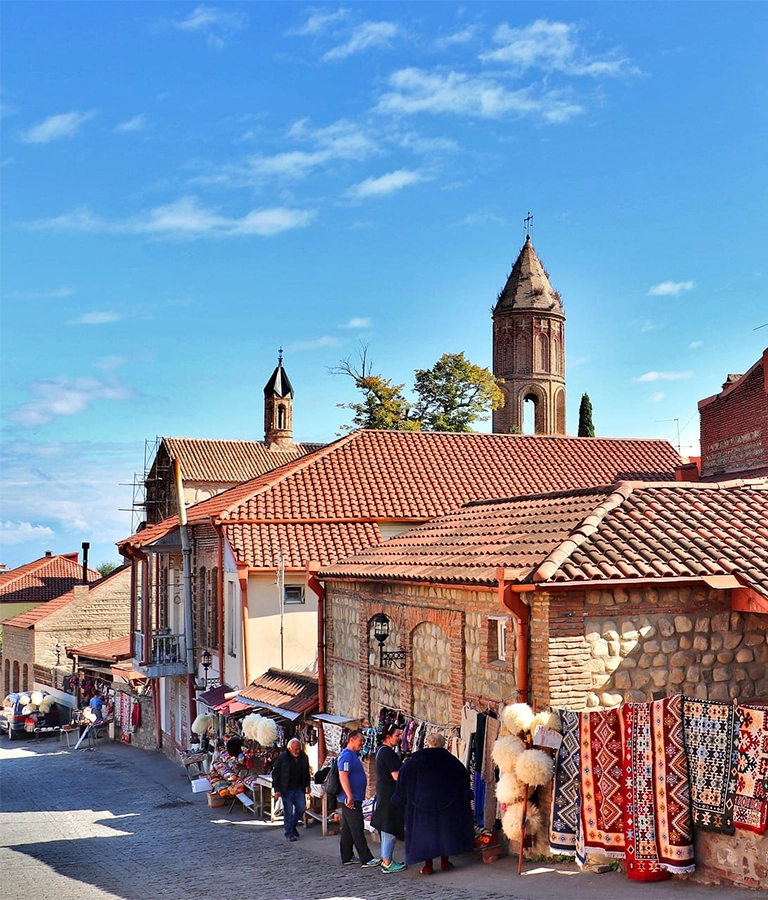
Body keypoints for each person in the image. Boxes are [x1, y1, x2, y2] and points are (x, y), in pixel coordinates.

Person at [392, 732, 474, 875]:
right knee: (444, 833)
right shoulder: (452, 762)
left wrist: (401, 798)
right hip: (447, 804)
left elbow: (403, 780)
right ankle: (444, 862)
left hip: (422, 805)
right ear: (443, 744)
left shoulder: (414, 762)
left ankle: (428, 866)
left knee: (426, 835)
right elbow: (463, 780)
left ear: (428, 744)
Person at [337, 729, 381, 868]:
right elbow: (343, 776)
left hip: (355, 797)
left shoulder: (353, 755)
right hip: (351, 798)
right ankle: (366, 858)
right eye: (360, 740)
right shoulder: (346, 756)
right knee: (357, 827)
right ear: (351, 740)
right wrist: (349, 795)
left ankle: (347, 856)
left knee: (348, 828)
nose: (363, 743)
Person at [370, 724, 406, 873]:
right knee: (389, 828)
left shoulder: (380, 751)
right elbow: (396, 776)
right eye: (397, 735)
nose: (400, 738)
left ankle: (386, 859)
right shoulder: (389, 754)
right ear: (388, 736)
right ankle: (387, 863)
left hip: (383, 794)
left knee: (386, 829)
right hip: (390, 795)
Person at [271, 738, 310, 842]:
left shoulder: (303, 757)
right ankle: (289, 833)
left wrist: (307, 785)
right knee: (288, 811)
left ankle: (291, 826)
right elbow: (275, 774)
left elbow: (306, 773)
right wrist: (277, 790)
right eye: (295, 749)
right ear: (289, 748)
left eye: (299, 749)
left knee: (301, 809)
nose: (297, 751)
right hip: (286, 789)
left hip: (299, 787)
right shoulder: (282, 758)